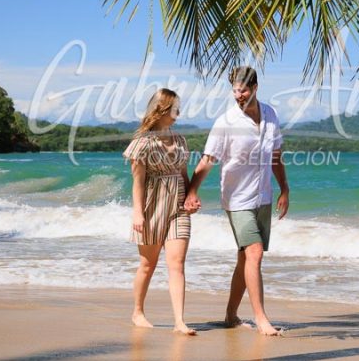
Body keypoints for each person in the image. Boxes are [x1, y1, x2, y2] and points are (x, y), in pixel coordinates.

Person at [184, 66, 289, 336]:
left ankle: (231, 315)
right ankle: (261, 319)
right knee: (254, 252)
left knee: (246, 259)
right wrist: (192, 191)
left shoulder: (270, 114)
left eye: (243, 90)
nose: (238, 95)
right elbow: (208, 159)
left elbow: (276, 156)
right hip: (237, 198)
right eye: (234, 90)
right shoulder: (226, 122)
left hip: (263, 196)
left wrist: (284, 189)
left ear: (255, 88)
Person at [123, 88, 195, 335]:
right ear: (161, 110)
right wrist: (138, 213)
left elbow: (184, 175)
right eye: (174, 109)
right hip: (152, 207)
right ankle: (138, 312)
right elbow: (138, 182)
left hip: (178, 208)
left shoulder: (181, 141)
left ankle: (179, 321)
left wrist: (191, 197)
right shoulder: (142, 143)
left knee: (177, 263)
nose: (178, 114)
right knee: (148, 264)